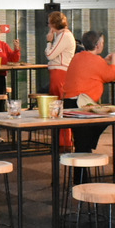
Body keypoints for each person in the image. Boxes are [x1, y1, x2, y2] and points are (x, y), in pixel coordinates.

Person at [62, 31, 115, 160]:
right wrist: (114, 60)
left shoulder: (77, 57)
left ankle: (84, 157)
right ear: (97, 45)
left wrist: (104, 61)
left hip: (70, 105)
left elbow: (92, 69)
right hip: (83, 107)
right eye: (102, 42)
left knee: (82, 142)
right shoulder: (96, 61)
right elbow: (111, 75)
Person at [45, 11, 76, 148]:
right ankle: (60, 140)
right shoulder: (62, 35)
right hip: (58, 72)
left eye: (49, 23)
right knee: (57, 106)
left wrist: (49, 41)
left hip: (60, 73)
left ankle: (64, 141)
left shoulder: (64, 36)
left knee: (58, 106)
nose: (48, 25)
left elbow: (50, 54)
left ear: (53, 24)